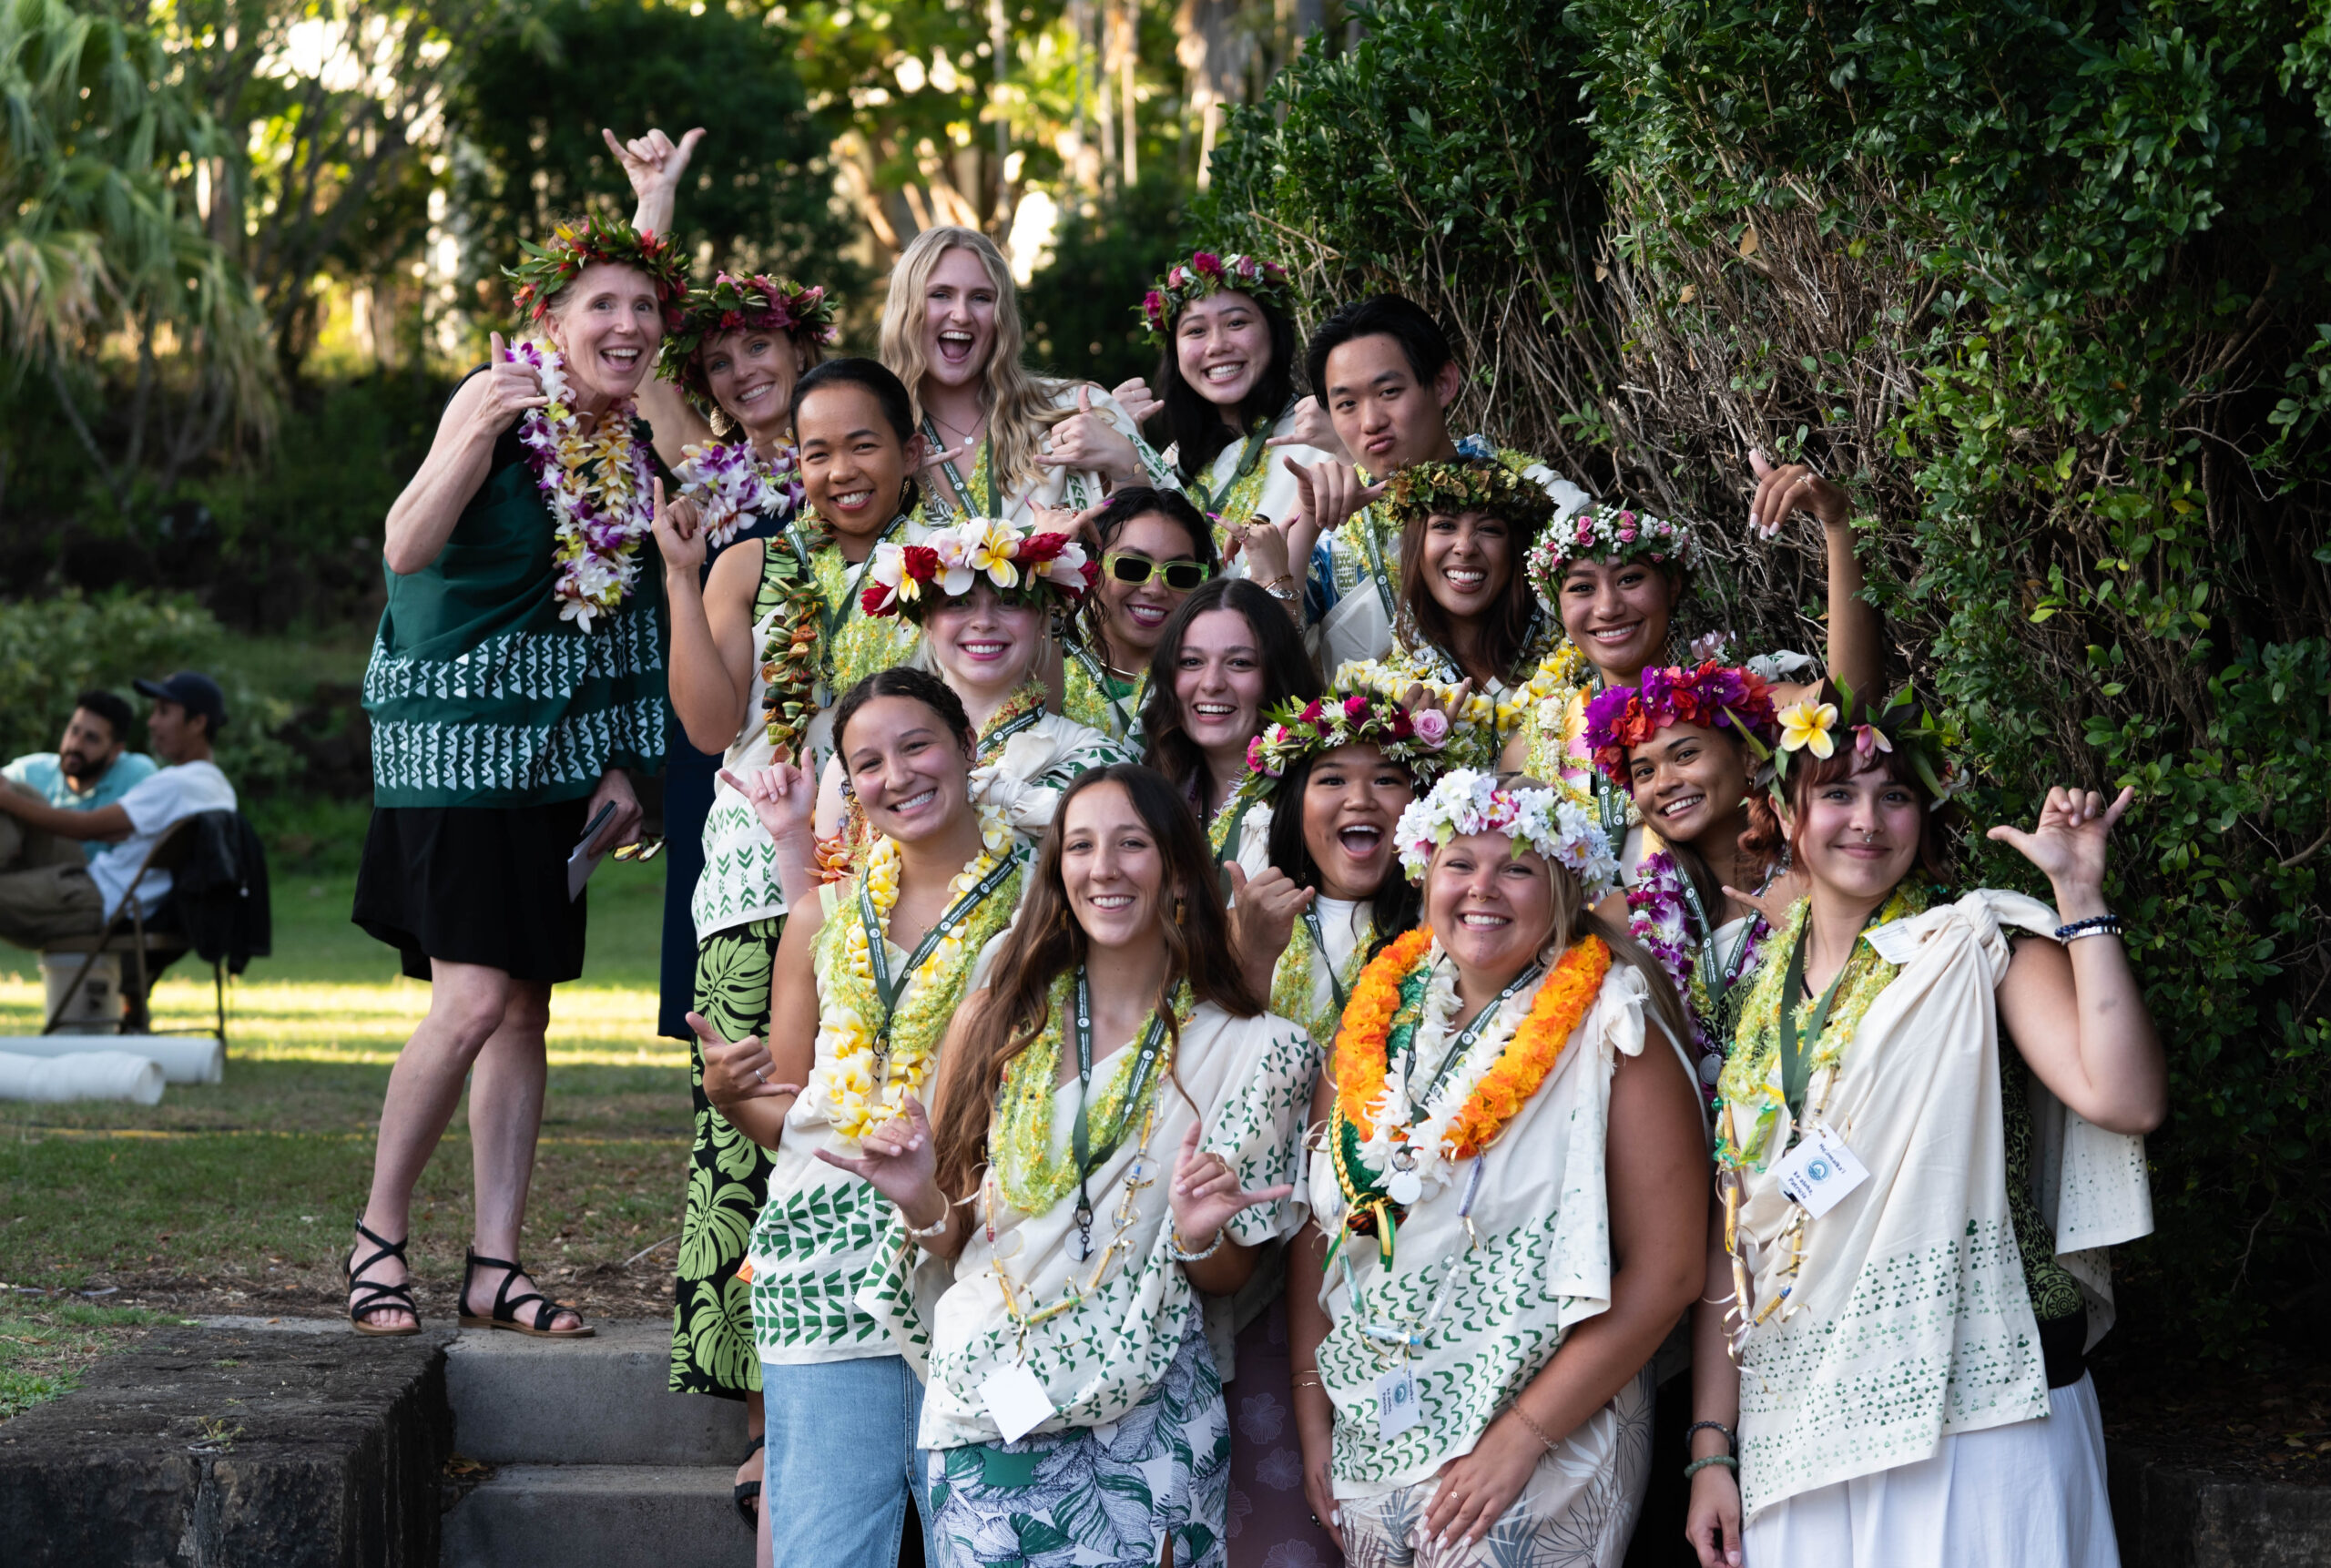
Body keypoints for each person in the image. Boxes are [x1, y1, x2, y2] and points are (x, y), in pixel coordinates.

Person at [1684, 690, 2162, 1568]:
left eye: (1895, 795)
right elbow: (1737, 1231)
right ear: (1786, 815)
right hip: (1803, 1423)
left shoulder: (1978, 945)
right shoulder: (1759, 999)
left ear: (1924, 815)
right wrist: (1713, 1447)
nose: (1867, 820)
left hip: (1977, 1417)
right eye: (1837, 793)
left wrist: (2079, 896)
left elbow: (2125, 1100)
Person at [833, 763, 1316, 1568]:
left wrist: (1200, 1235)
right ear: (1057, 869)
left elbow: (1231, 1275)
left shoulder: (1259, 1050)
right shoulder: (1007, 1001)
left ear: (1176, 869)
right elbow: (953, 1235)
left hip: (1150, 1411)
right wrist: (920, 1199)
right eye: (1082, 846)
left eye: (1132, 844)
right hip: (993, 1399)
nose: (1105, 868)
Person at [344, 214, 683, 1339]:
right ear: (547, 325)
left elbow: (635, 619)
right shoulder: (496, 400)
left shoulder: (634, 448)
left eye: (644, 310)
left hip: (556, 762)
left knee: (526, 1013)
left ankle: (495, 1263)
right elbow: (403, 547)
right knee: (474, 999)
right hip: (450, 751)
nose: (626, 326)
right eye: (602, 307)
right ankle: (377, 1239)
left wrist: (631, 764)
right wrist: (471, 430)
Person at [1288, 769, 1706, 1563]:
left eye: (1516, 866)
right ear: (1426, 876)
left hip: (1541, 1455)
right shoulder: (1374, 1026)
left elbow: (1673, 1268)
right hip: (1373, 1442)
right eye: (1460, 864)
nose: (1483, 889)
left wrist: (1520, 1438)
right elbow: (1328, 1230)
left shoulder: (1611, 1018)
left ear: (1560, 886)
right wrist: (1314, 1412)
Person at [648, 354, 926, 1493]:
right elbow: (715, 722)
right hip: (762, 889)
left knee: (885, 1124)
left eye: (862, 444)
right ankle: (774, 1423)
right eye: (815, 451)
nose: (839, 470)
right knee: (757, 1132)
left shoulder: (949, 568)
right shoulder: (756, 562)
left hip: (905, 887)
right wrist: (681, 575)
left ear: (908, 449)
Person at [693, 668, 1027, 1568]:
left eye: (917, 745)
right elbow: (789, 1108)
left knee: (993, 1548)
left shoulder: (1045, 906)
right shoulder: (822, 917)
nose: (897, 775)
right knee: (826, 1550)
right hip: (825, 1268)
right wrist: (732, 1093)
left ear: (966, 747)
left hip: (981, 1260)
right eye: (867, 761)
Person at [1205, 684, 1461, 1567]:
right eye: (1330, 779)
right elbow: (1204, 1074)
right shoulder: (1249, 912)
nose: (1360, 799)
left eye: (1388, 778)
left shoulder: (1454, 929)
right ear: (1290, 803)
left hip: (1400, 1273)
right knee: (1279, 1522)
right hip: (1264, 1276)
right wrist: (1251, 955)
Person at [1508, 460, 1884, 871]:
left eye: (1630, 579)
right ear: (1557, 606)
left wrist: (1837, 523)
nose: (1608, 607)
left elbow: (1850, 705)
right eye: (1581, 587)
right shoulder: (1537, 744)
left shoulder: (1733, 703)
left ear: (1671, 586)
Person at [1298, 295, 1591, 672]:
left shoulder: (1537, 495)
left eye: (1388, 392)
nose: (1370, 421)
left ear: (1443, 384)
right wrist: (1305, 519)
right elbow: (1266, 662)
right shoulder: (1330, 542)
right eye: (1347, 404)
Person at [822, 510, 1127, 849]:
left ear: (1042, 620)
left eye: (1009, 602)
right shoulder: (855, 764)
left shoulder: (1094, 759)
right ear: (926, 621)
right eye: (959, 603)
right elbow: (829, 898)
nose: (983, 622)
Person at [1582, 663, 1789, 1102]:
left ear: (1750, 755)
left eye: (1685, 755)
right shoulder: (1626, 917)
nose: (1665, 784)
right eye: (1643, 772)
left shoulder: (1813, 878)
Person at [880, 224, 1174, 524]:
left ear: (1002, 315)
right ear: (906, 308)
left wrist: (1126, 465)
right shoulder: (869, 437)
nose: (962, 314)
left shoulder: (1077, 409)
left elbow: (1189, 546)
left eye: (981, 297)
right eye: (940, 294)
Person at [1108, 249, 1341, 592]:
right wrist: (1125, 456)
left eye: (1236, 323)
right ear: (1174, 352)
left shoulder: (1319, 430)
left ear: (1274, 334)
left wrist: (1341, 441)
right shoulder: (1172, 458)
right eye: (1196, 330)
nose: (1217, 346)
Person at [1339, 447, 1575, 774]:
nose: (1464, 546)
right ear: (1416, 546)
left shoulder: (1576, 666)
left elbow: (1606, 790)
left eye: (1490, 529)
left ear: (1517, 551)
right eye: (1445, 526)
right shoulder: (1375, 693)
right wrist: (1410, 765)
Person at [0, 673, 236, 950]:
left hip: (98, 898)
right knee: (18, 791)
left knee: (12, 797)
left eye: (163, 712)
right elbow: (117, 832)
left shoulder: (179, 784)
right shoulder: (217, 787)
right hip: (108, 887)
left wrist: (5, 800)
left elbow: (84, 828)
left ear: (197, 723)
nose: (152, 722)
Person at [1141, 576, 1324, 864]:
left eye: (1240, 663)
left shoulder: (1315, 798)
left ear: (1277, 675)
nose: (1212, 683)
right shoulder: (1153, 797)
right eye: (1191, 661)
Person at [1054, 485, 1218, 747]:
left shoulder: (1212, 679)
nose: (1155, 589)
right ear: (1090, 567)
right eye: (1132, 567)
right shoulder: (1044, 656)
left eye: (1180, 573)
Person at [2, 690, 158, 869]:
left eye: (91, 738)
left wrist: (10, 801)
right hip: (30, 872)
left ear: (115, 751)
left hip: (88, 881)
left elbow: (88, 829)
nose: (75, 744)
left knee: (16, 793)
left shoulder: (136, 773)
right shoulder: (31, 770)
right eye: (73, 731)